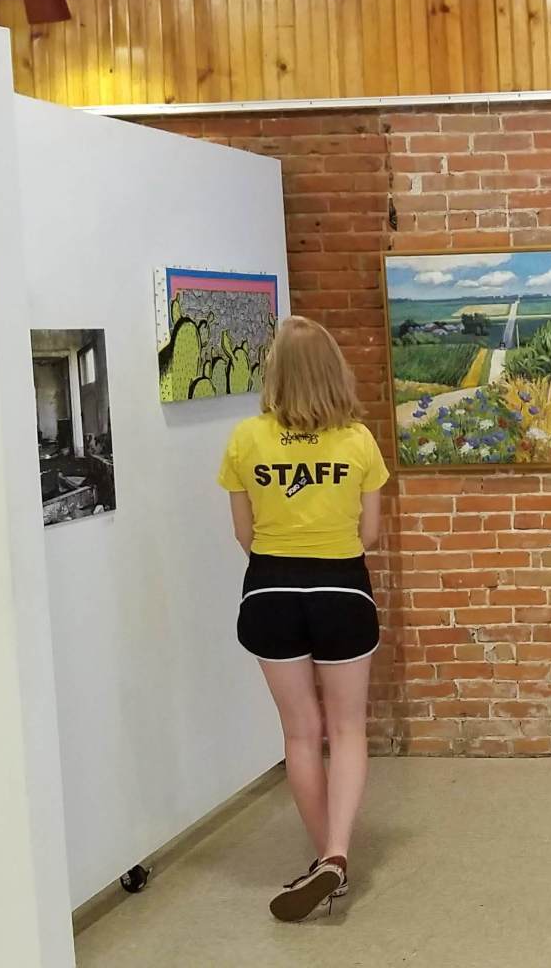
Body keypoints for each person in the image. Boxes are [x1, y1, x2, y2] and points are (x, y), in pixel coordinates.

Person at [218, 316, 389, 922]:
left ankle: (326, 863)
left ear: (275, 373)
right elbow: (370, 534)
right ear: (334, 371)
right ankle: (336, 854)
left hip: (269, 591)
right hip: (341, 590)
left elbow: (245, 535)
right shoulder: (358, 441)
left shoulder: (245, 439)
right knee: (346, 728)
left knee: (299, 732)